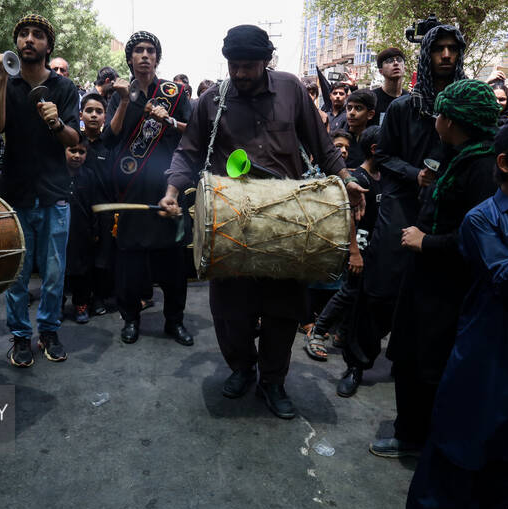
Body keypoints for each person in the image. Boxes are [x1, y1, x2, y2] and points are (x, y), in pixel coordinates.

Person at [161, 25, 364, 419]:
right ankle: (241, 367)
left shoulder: (290, 89)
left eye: (248, 66)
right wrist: (171, 191)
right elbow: (188, 152)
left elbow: (322, 145)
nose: (240, 73)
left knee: (282, 311)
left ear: (267, 61)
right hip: (230, 223)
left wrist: (346, 178)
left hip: (288, 222)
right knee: (229, 310)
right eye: (234, 66)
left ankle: (272, 381)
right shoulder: (212, 100)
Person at [405, 111, 508, 509]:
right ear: (506, 163)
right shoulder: (481, 219)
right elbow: (505, 281)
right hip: (488, 349)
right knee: (460, 437)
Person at [369, 79, 500, 458]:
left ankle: (415, 438)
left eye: (441, 114)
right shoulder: (460, 154)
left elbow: (476, 237)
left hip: (445, 288)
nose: (435, 119)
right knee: (410, 356)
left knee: (425, 363)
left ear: (453, 121)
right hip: (427, 279)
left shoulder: (482, 167)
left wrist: (426, 241)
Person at [359, 26, 467, 415]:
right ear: (426, 55)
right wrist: (414, 174)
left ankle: (413, 367)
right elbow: (383, 156)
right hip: (402, 202)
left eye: (452, 49)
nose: (446, 55)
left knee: (431, 294)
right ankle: (358, 362)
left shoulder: (465, 104)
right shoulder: (404, 107)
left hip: (446, 209)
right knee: (380, 287)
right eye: (438, 49)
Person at [0, 14, 80, 367]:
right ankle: (21, 337)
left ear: (48, 46)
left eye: (37, 35)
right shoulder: (6, 83)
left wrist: (56, 122)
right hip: (16, 194)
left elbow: (74, 138)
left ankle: (49, 332)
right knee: (18, 275)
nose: (29, 39)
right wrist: (0, 80)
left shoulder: (64, 88)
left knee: (54, 275)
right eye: (23, 34)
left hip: (54, 194)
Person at [102, 30, 193, 347]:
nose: (145, 55)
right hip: (131, 191)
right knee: (130, 263)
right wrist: (125, 102)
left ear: (157, 57)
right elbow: (109, 138)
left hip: (169, 188)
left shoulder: (175, 93)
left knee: (174, 264)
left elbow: (194, 134)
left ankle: (174, 321)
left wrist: (169, 120)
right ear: (130, 58)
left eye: (150, 50)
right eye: (138, 50)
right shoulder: (119, 94)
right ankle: (130, 319)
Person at [304, 126, 382, 367]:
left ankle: (343, 332)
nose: (344, 152)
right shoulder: (358, 179)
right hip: (353, 244)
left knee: (357, 291)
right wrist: (354, 251)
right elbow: (348, 216)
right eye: (338, 147)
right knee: (349, 289)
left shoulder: (380, 177)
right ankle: (317, 330)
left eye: (347, 148)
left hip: (371, 244)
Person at [79, 93, 115, 316]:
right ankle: (81, 298)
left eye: (99, 111)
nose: (93, 115)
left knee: (103, 257)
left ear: (105, 116)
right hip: (79, 210)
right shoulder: (75, 143)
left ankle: (100, 297)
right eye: (89, 110)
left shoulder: (110, 145)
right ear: (81, 115)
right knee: (82, 256)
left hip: (105, 210)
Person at [64, 137, 96, 323]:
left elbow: (94, 206)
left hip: (82, 231)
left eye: (81, 152)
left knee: (83, 270)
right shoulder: (56, 174)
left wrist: (95, 231)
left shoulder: (89, 176)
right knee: (56, 270)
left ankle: (81, 303)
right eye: (72, 150)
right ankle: (57, 304)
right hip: (59, 230)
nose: (76, 155)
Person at [371, 47, 407, 126]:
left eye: (399, 60)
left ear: (405, 68)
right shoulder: (372, 98)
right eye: (389, 61)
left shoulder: (410, 99)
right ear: (381, 71)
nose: (396, 63)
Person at [344, 89, 376, 167]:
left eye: (358, 108)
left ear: (370, 114)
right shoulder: (339, 138)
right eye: (349, 108)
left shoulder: (374, 140)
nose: (351, 113)